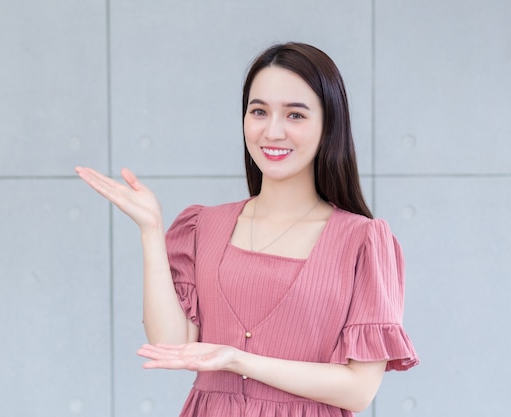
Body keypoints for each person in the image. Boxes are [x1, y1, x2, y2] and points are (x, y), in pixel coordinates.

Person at [75, 42, 419, 417]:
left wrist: (240, 361)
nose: (272, 131)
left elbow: (358, 391)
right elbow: (170, 343)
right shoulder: (202, 226)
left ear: (328, 125)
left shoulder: (362, 241)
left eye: (295, 115)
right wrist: (151, 230)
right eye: (259, 111)